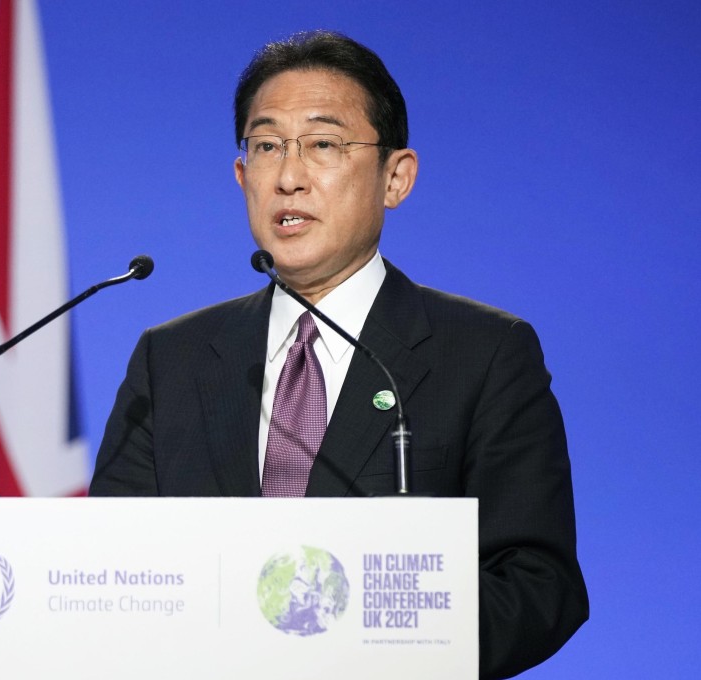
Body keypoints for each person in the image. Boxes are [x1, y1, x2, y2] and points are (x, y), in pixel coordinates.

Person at [89, 30, 588, 679]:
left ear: (395, 177)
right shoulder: (172, 359)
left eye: (323, 144)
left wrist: (370, 644)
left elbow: (536, 584)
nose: (289, 177)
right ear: (243, 175)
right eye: (266, 146)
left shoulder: (486, 353)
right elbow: (113, 572)